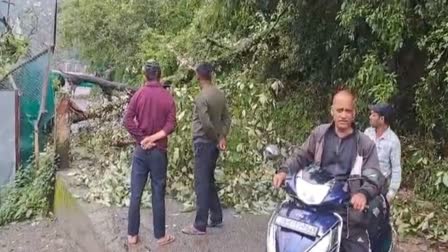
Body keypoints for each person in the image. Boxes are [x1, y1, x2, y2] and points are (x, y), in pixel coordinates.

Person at [272, 89, 384, 252]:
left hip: (346, 212)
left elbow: (373, 175)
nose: (343, 115)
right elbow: (301, 156)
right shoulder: (320, 134)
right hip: (315, 204)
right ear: (332, 111)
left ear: (354, 113)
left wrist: (362, 194)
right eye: (339, 110)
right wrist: (284, 171)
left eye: (348, 111)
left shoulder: (365, 144)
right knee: (285, 235)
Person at [123, 60, 177, 246]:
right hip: (158, 153)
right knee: (158, 192)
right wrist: (154, 139)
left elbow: (127, 120)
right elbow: (171, 126)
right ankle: (160, 236)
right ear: (160, 76)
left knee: (136, 193)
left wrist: (142, 139)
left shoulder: (138, 95)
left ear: (145, 76)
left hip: (140, 152)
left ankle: (131, 235)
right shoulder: (167, 98)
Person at [182, 62, 232, 235]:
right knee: (209, 180)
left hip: (204, 143)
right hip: (214, 145)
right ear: (211, 75)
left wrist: (216, 138)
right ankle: (216, 216)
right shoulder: (219, 94)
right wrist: (222, 136)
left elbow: (206, 124)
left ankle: (199, 225)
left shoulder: (201, 97)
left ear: (198, 76)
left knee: (201, 183)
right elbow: (227, 118)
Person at [364, 103, 401, 203]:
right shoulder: (367, 133)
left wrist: (391, 193)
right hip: (364, 183)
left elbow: (396, 168)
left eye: (373, 115)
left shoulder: (393, 141)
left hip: (380, 188)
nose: (370, 117)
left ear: (382, 119)